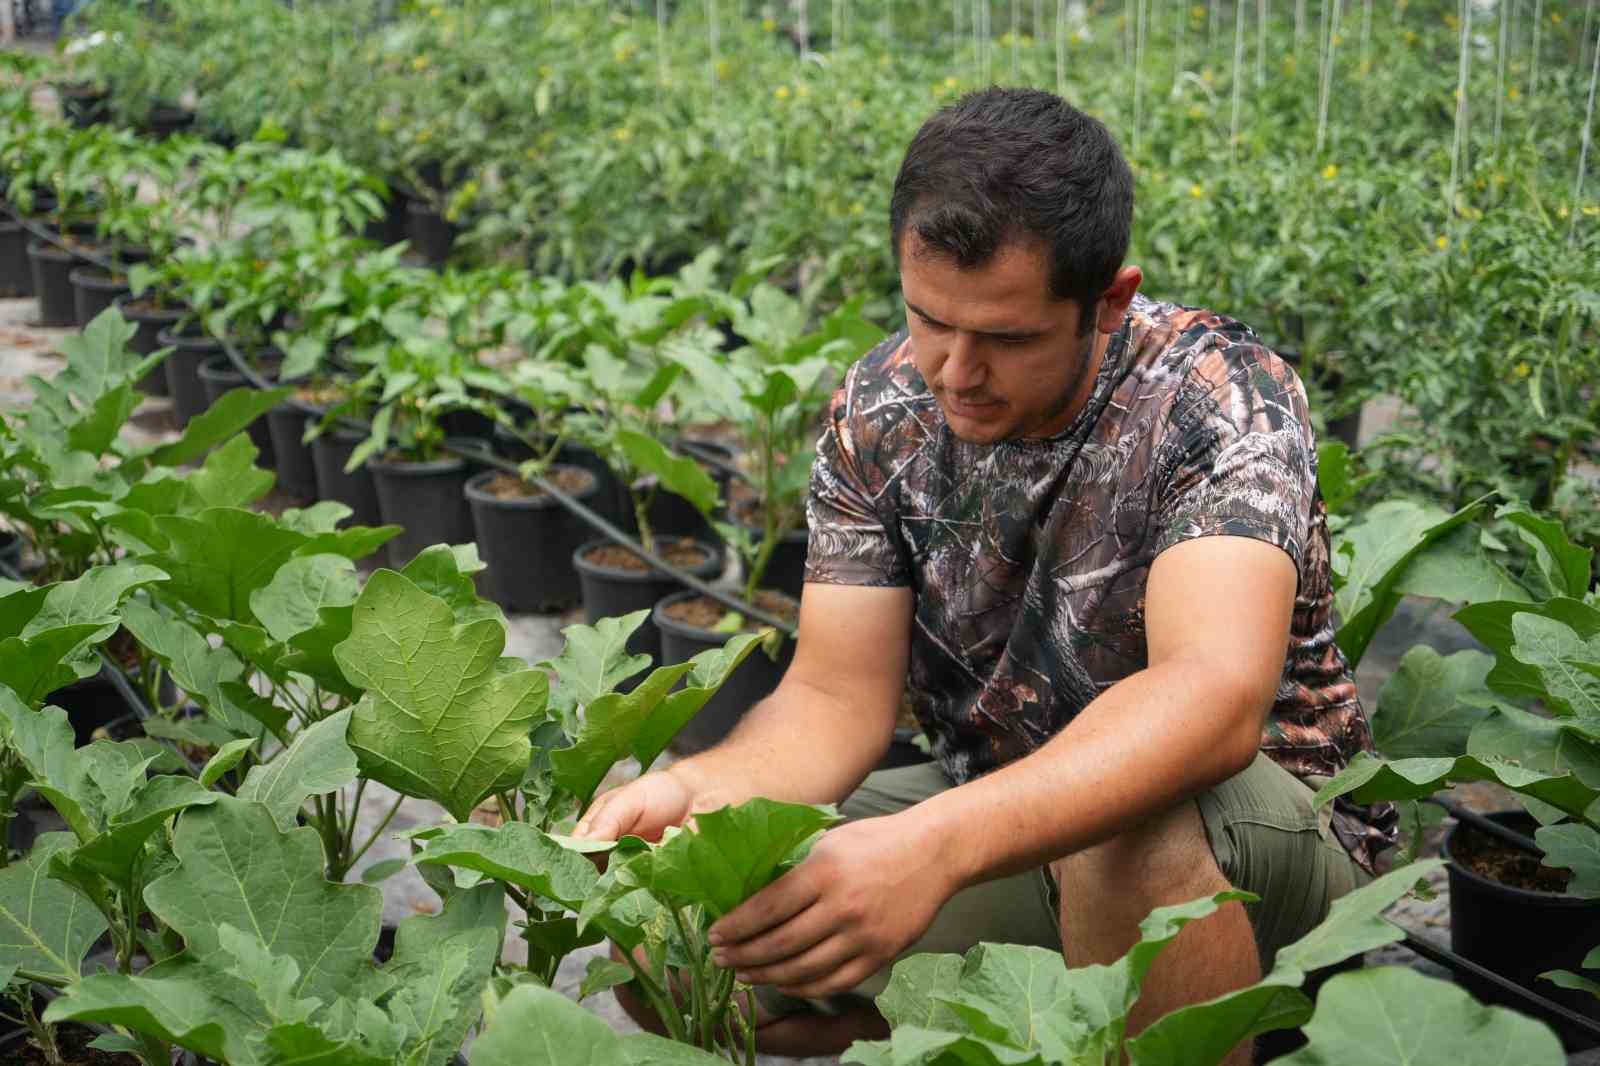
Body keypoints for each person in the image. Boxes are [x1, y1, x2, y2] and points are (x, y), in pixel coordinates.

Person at [574, 87, 1395, 1064]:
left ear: (1108, 300)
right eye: (928, 319)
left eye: (1006, 338)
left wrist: (931, 848)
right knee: (676, 935)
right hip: (1004, 815)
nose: (955, 370)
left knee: (1116, 834)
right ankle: (990, 1023)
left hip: (1261, 845)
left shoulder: (1215, 393)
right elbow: (834, 696)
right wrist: (699, 790)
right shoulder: (879, 408)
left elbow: (1211, 700)